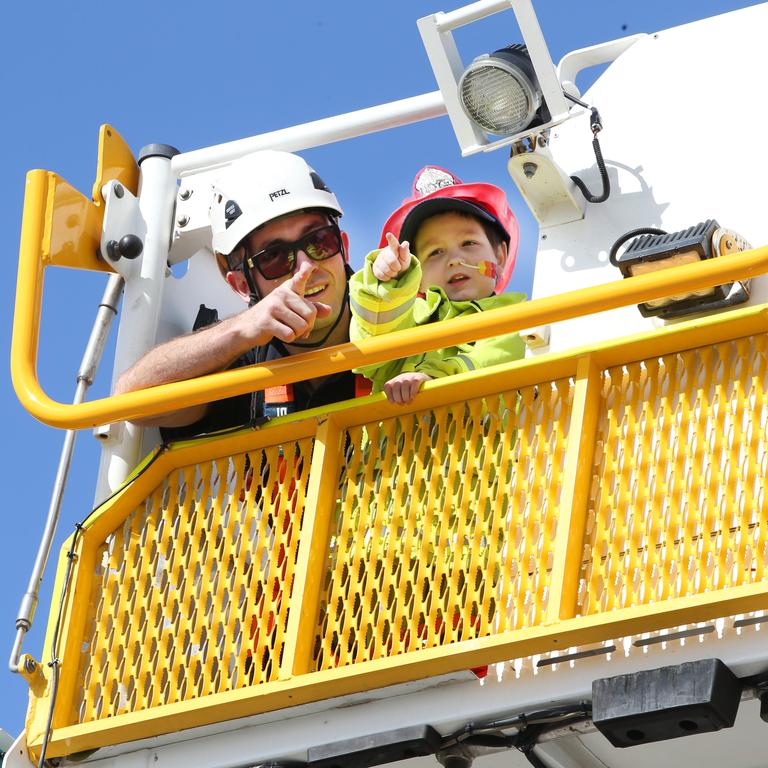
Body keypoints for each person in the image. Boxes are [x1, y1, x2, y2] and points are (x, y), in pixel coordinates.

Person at [115, 150, 361, 437]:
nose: (307, 267)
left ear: (343, 246)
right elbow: (130, 402)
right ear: (242, 286)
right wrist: (241, 329)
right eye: (276, 257)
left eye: (320, 241)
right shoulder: (246, 365)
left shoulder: (402, 314)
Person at [349, 166, 526, 404]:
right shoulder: (407, 319)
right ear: (417, 274)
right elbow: (370, 356)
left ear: (500, 256)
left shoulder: (514, 317)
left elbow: (497, 357)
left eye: (468, 242)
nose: (454, 260)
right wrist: (386, 284)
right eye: (436, 252)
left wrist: (435, 377)